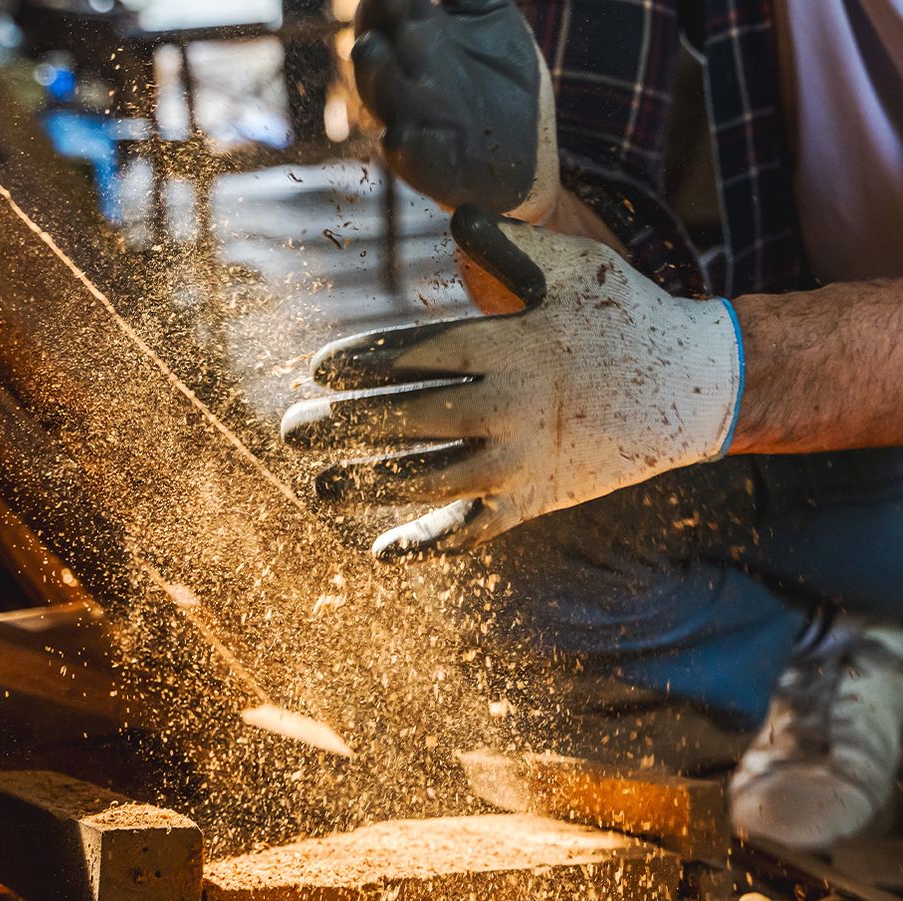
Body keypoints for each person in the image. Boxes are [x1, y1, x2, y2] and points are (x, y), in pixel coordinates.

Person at [282, 0, 903, 851]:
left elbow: (713, 371)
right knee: (502, 560)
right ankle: (829, 651)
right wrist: (529, 206)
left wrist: (727, 371)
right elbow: (605, 319)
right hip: (835, 459)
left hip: (829, 435)